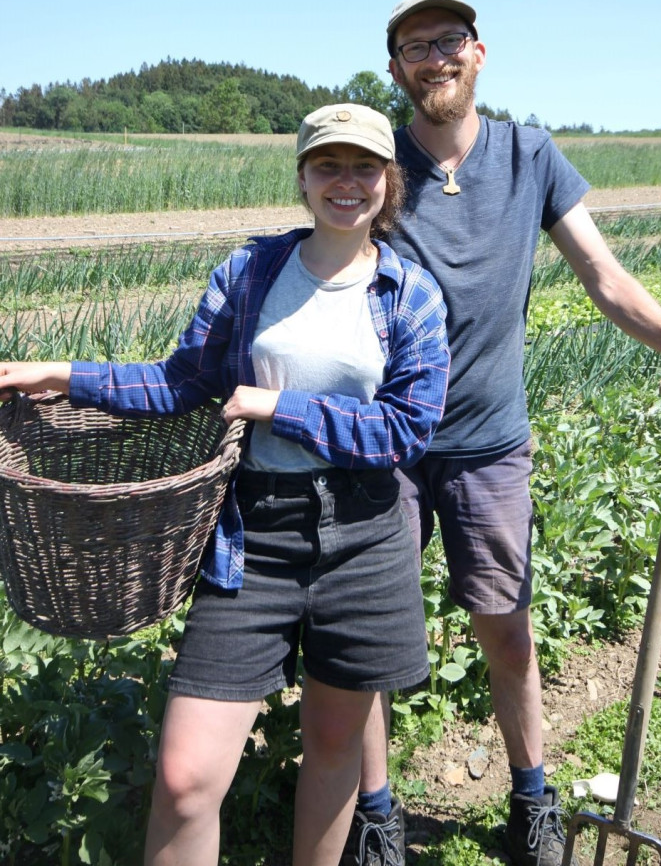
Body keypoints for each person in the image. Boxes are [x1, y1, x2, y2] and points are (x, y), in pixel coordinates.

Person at [345, 0, 661, 866]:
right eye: (415, 47)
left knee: (508, 627)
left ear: (479, 53)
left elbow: (603, 274)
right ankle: (374, 815)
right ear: (395, 69)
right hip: (387, 443)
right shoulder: (375, 162)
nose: (434, 58)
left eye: (449, 40)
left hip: (490, 441)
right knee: (372, 633)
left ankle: (533, 798)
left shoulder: (531, 156)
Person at [0, 103, 450, 866]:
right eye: (328, 166)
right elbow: (182, 381)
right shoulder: (250, 275)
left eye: (364, 167)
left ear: (389, 181)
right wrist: (62, 375)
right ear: (304, 178)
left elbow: (407, 431)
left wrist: (285, 406)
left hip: (365, 535)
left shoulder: (412, 296)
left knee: (335, 748)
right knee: (184, 779)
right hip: (257, 536)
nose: (347, 183)